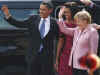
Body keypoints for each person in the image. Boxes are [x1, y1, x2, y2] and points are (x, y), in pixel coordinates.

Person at [1, 1, 59, 75]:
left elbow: (59, 38)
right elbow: (19, 24)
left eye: (43, 10)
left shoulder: (55, 23)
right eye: (40, 9)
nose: (41, 11)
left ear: (50, 10)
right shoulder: (33, 19)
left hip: (47, 57)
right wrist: (8, 15)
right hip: (33, 55)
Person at [58, 9, 99, 75]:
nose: (77, 23)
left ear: (85, 21)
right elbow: (64, 29)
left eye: (78, 21)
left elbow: (93, 51)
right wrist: (60, 17)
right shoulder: (77, 30)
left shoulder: (92, 32)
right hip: (75, 65)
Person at [54, 2, 79, 75]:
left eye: (67, 12)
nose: (65, 14)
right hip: (65, 54)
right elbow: (60, 41)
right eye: (64, 13)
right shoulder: (63, 23)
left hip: (78, 54)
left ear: (73, 12)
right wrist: (57, 59)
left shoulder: (80, 23)